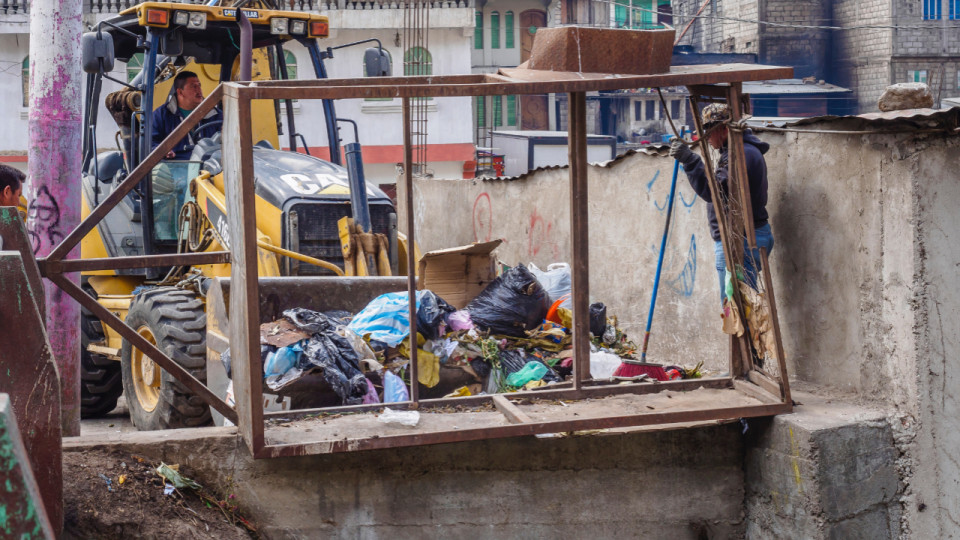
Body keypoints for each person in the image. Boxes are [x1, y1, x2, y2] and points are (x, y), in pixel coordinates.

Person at [669, 103, 772, 298]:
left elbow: (714, 193)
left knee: (738, 310)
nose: (706, 139)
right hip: (744, 237)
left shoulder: (739, 155)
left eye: (708, 131)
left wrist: (691, 161)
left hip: (741, 240)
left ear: (723, 129)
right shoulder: (739, 152)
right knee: (739, 306)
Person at [152, 70, 223, 160]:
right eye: (193, 86)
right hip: (174, 168)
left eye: (199, 85)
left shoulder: (215, 115)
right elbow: (151, 142)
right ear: (180, 92)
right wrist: (162, 151)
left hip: (209, 168)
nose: (199, 90)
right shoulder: (161, 116)